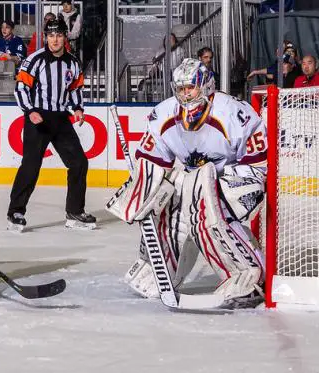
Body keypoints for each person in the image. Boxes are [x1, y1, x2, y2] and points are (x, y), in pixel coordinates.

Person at [106, 58, 267, 307]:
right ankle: (159, 267)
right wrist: (144, 188)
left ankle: (246, 274)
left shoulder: (232, 112)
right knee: (171, 193)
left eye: (190, 88)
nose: (185, 94)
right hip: (199, 181)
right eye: (181, 89)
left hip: (242, 177)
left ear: (206, 86)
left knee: (205, 202)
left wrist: (216, 183)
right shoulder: (165, 113)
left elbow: (258, 161)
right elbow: (150, 162)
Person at [7, 19, 96, 232]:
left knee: (79, 163)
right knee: (31, 165)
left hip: (60, 119)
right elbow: (20, 89)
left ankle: (74, 212)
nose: (54, 40)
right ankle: (15, 212)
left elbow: (75, 89)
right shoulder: (34, 60)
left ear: (65, 37)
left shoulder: (73, 63)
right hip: (38, 119)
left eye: (59, 35)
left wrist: (78, 109)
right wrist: (30, 111)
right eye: (51, 35)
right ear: (46, 38)